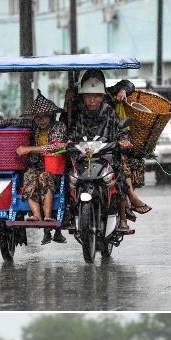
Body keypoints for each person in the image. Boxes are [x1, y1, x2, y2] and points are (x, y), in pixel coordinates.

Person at [67, 71, 148, 234]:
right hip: (85, 156)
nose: (91, 100)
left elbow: (121, 129)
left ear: (102, 95)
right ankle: (69, 213)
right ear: (83, 95)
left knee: (118, 177)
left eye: (96, 96)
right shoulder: (79, 111)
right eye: (88, 96)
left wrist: (123, 140)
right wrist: (69, 141)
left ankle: (122, 218)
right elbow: (72, 132)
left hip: (107, 154)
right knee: (69, 175)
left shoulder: (110, 111)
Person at [15, 92, 68, 243]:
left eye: (44, 116)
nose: (41, 120)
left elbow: (53, 147)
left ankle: (48, 216)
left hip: (54, 168)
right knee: (29, 176)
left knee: (45, 177)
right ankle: (36, 215)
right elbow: (12, 122)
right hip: (36, 168)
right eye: (37, 117)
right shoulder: (33, 126)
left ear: (51, 116)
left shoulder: (59, 127)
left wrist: (29, 149)